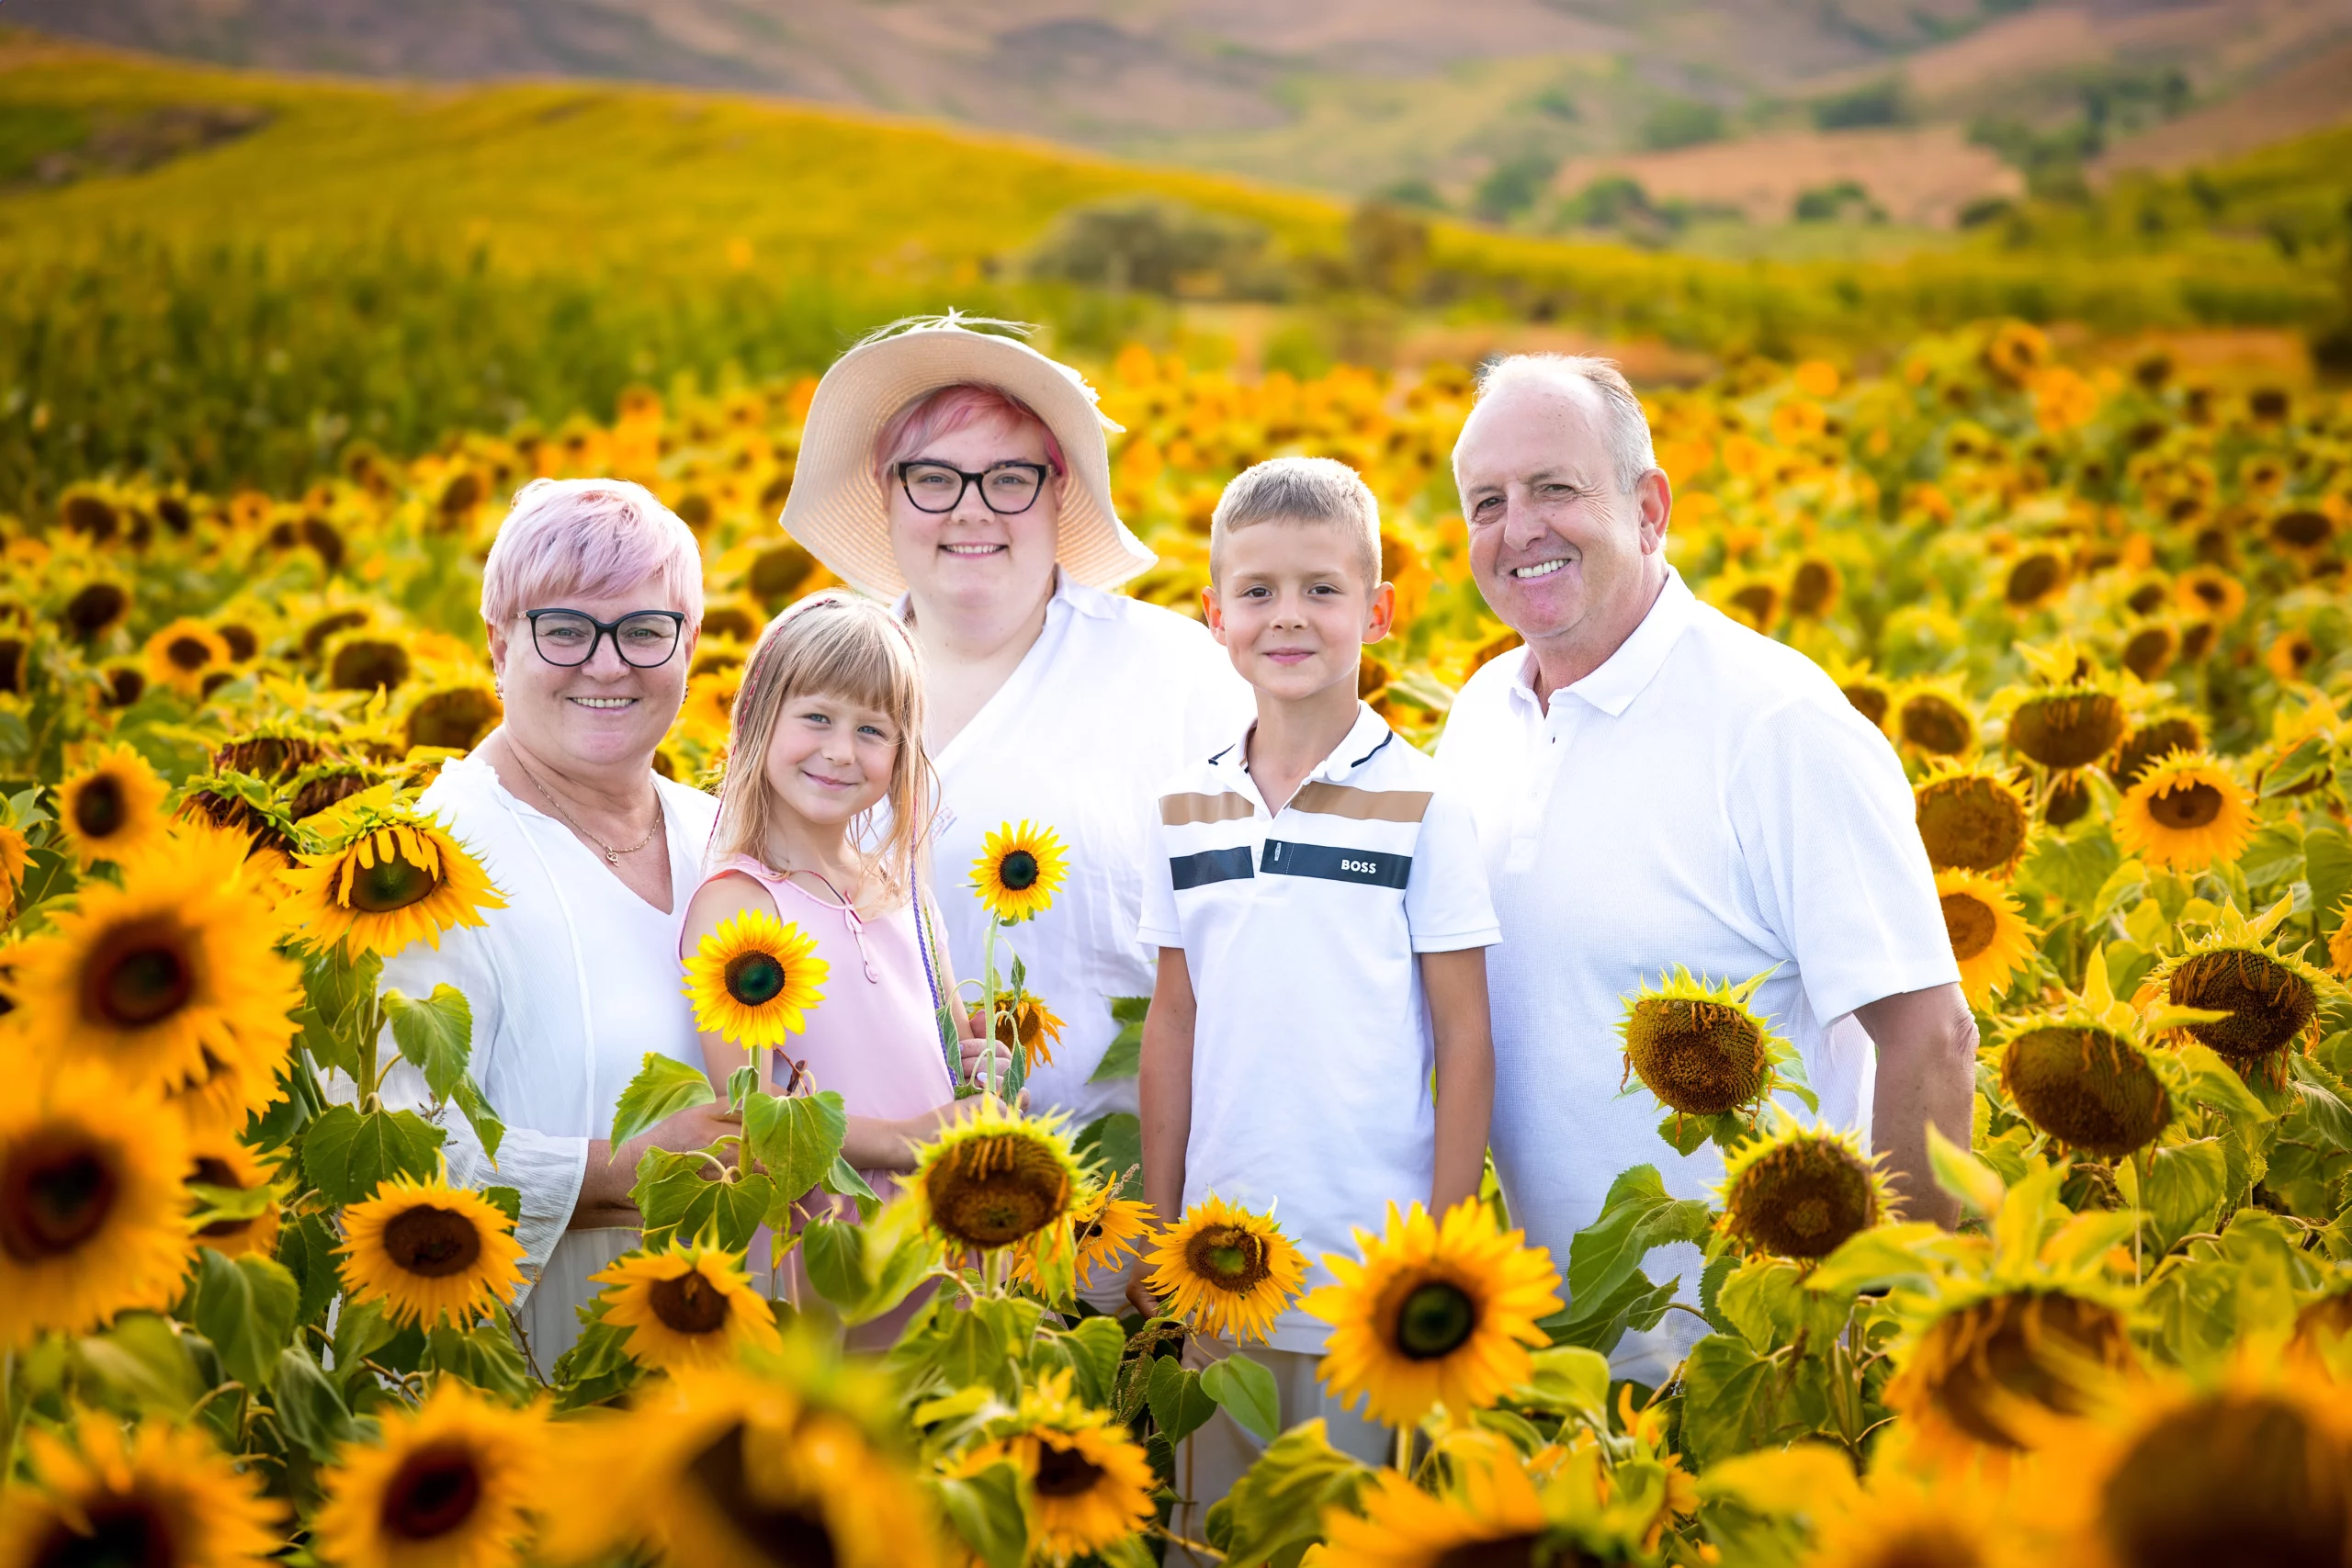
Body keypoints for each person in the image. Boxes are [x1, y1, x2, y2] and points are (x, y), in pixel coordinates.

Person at [1435, 354, 1974, 1387]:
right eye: (1486, 503)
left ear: (1649, 509)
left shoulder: (1775, 724)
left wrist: (1874, 1342)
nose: (1519, 529)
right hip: (1547, 1373)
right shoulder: (1480, 719)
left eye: (1554, 488)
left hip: (1755, 1366)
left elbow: (1932, 1037)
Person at [779, 315, 1252, 1180]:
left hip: (1127, 1199)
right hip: (862, 1206)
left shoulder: (1178, 674)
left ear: (1057, 491)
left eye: (1008, 478)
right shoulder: (807, 683)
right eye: (933, 477)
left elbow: (1258, 953)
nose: (972, 508)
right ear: (886, 492)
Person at [1134, 457, 1499, 1538]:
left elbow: (1465, 1038)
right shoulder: (1183, 803)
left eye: (1321, 589)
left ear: (1376, 613)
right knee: (1215, 1533)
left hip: (1368, 1275)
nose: (1287, 616)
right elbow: (1173, 1019)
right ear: (1215, 618)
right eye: (1257, 591)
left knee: (1353, 1538)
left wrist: (1442, 1251)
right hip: (1218, 1263)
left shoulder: (1425, 801)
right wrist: (1161, 1224)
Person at [369, 478, 740, 1368]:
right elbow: (396, 1149)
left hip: (733, 1366)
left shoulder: (725, 838)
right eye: (565, 629)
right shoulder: (428, 865)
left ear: (689, 644)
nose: (607, 666)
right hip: (532, 1379)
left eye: (644, 630)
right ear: (499, 646)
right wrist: (623, 1171)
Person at [679, 592, 987, 1348]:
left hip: (942, 1242)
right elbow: (755, 1114)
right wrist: (910, 1136)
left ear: (902, 753)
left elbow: (941, 1053)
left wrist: (977, 1072)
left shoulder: (902, 893)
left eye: (871, 729)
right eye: (817, 717)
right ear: (759, 720)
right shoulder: (740, 904)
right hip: (829, 1252)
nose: (842, 750)